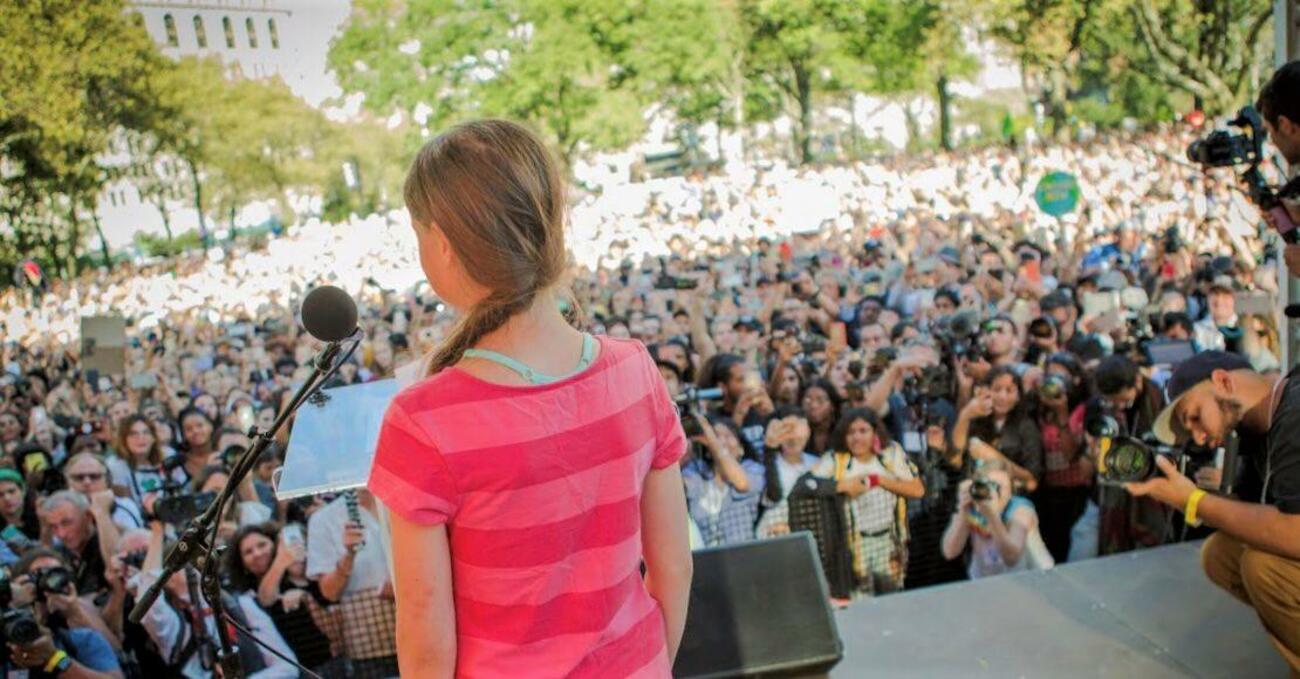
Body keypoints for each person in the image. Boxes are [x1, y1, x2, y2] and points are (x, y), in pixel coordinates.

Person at [367, 120, 692, 677]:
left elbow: (424, 630)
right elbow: (675, 567)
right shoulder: (635, 371)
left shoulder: (422, 421)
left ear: (441, 242)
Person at [1130, 351, 1300, 672]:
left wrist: (1195, 502)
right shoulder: (1258, 432)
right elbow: (1252, 513)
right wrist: (1192, 495)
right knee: (1222, 553)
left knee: (1263, 568)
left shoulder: (1294, 413)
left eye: (1194, 417)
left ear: (1223, 381)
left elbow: (1295, 533)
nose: (1199, 437)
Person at [814, 408, 924, 595]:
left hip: (889, 540)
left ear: (875, 432)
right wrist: (840, 486)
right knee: (859, 597)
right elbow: (807, 484)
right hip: (853, 544)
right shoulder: (836, 459)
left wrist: (877, 480)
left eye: (863, 431)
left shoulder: (891, 453)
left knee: (891, 595)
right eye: (851, 432)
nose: (856, 437)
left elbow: (917, 490)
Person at [940, 460, 1054, 579]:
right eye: (990, 486)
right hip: (992, 583)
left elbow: (1011, 558)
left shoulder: (1021, 511)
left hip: (1035, 581)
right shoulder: (974, 509)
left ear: (1011, 490)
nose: (995, 493)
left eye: (1000, 487)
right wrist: (963, 511)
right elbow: (949, 552)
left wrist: (992, 516)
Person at [682, 415, 764, 547]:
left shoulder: (752, 468)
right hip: (705, 555)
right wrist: (682, 451)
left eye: (728, 436)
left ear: (741, 448)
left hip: (744, 552)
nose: (721, 441)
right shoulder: (697, 472)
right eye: (716, 435)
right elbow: (678, 488)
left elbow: (742, 484)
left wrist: (713, 441)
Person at [756, 406, 821, 539]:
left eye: (796, 428)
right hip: (772, 534)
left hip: (809, 533)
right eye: (786, 429)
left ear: (808, 431)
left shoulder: (817, 463)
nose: (792, 438)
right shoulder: (765, 465)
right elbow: (773, 495)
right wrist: (769, 448)